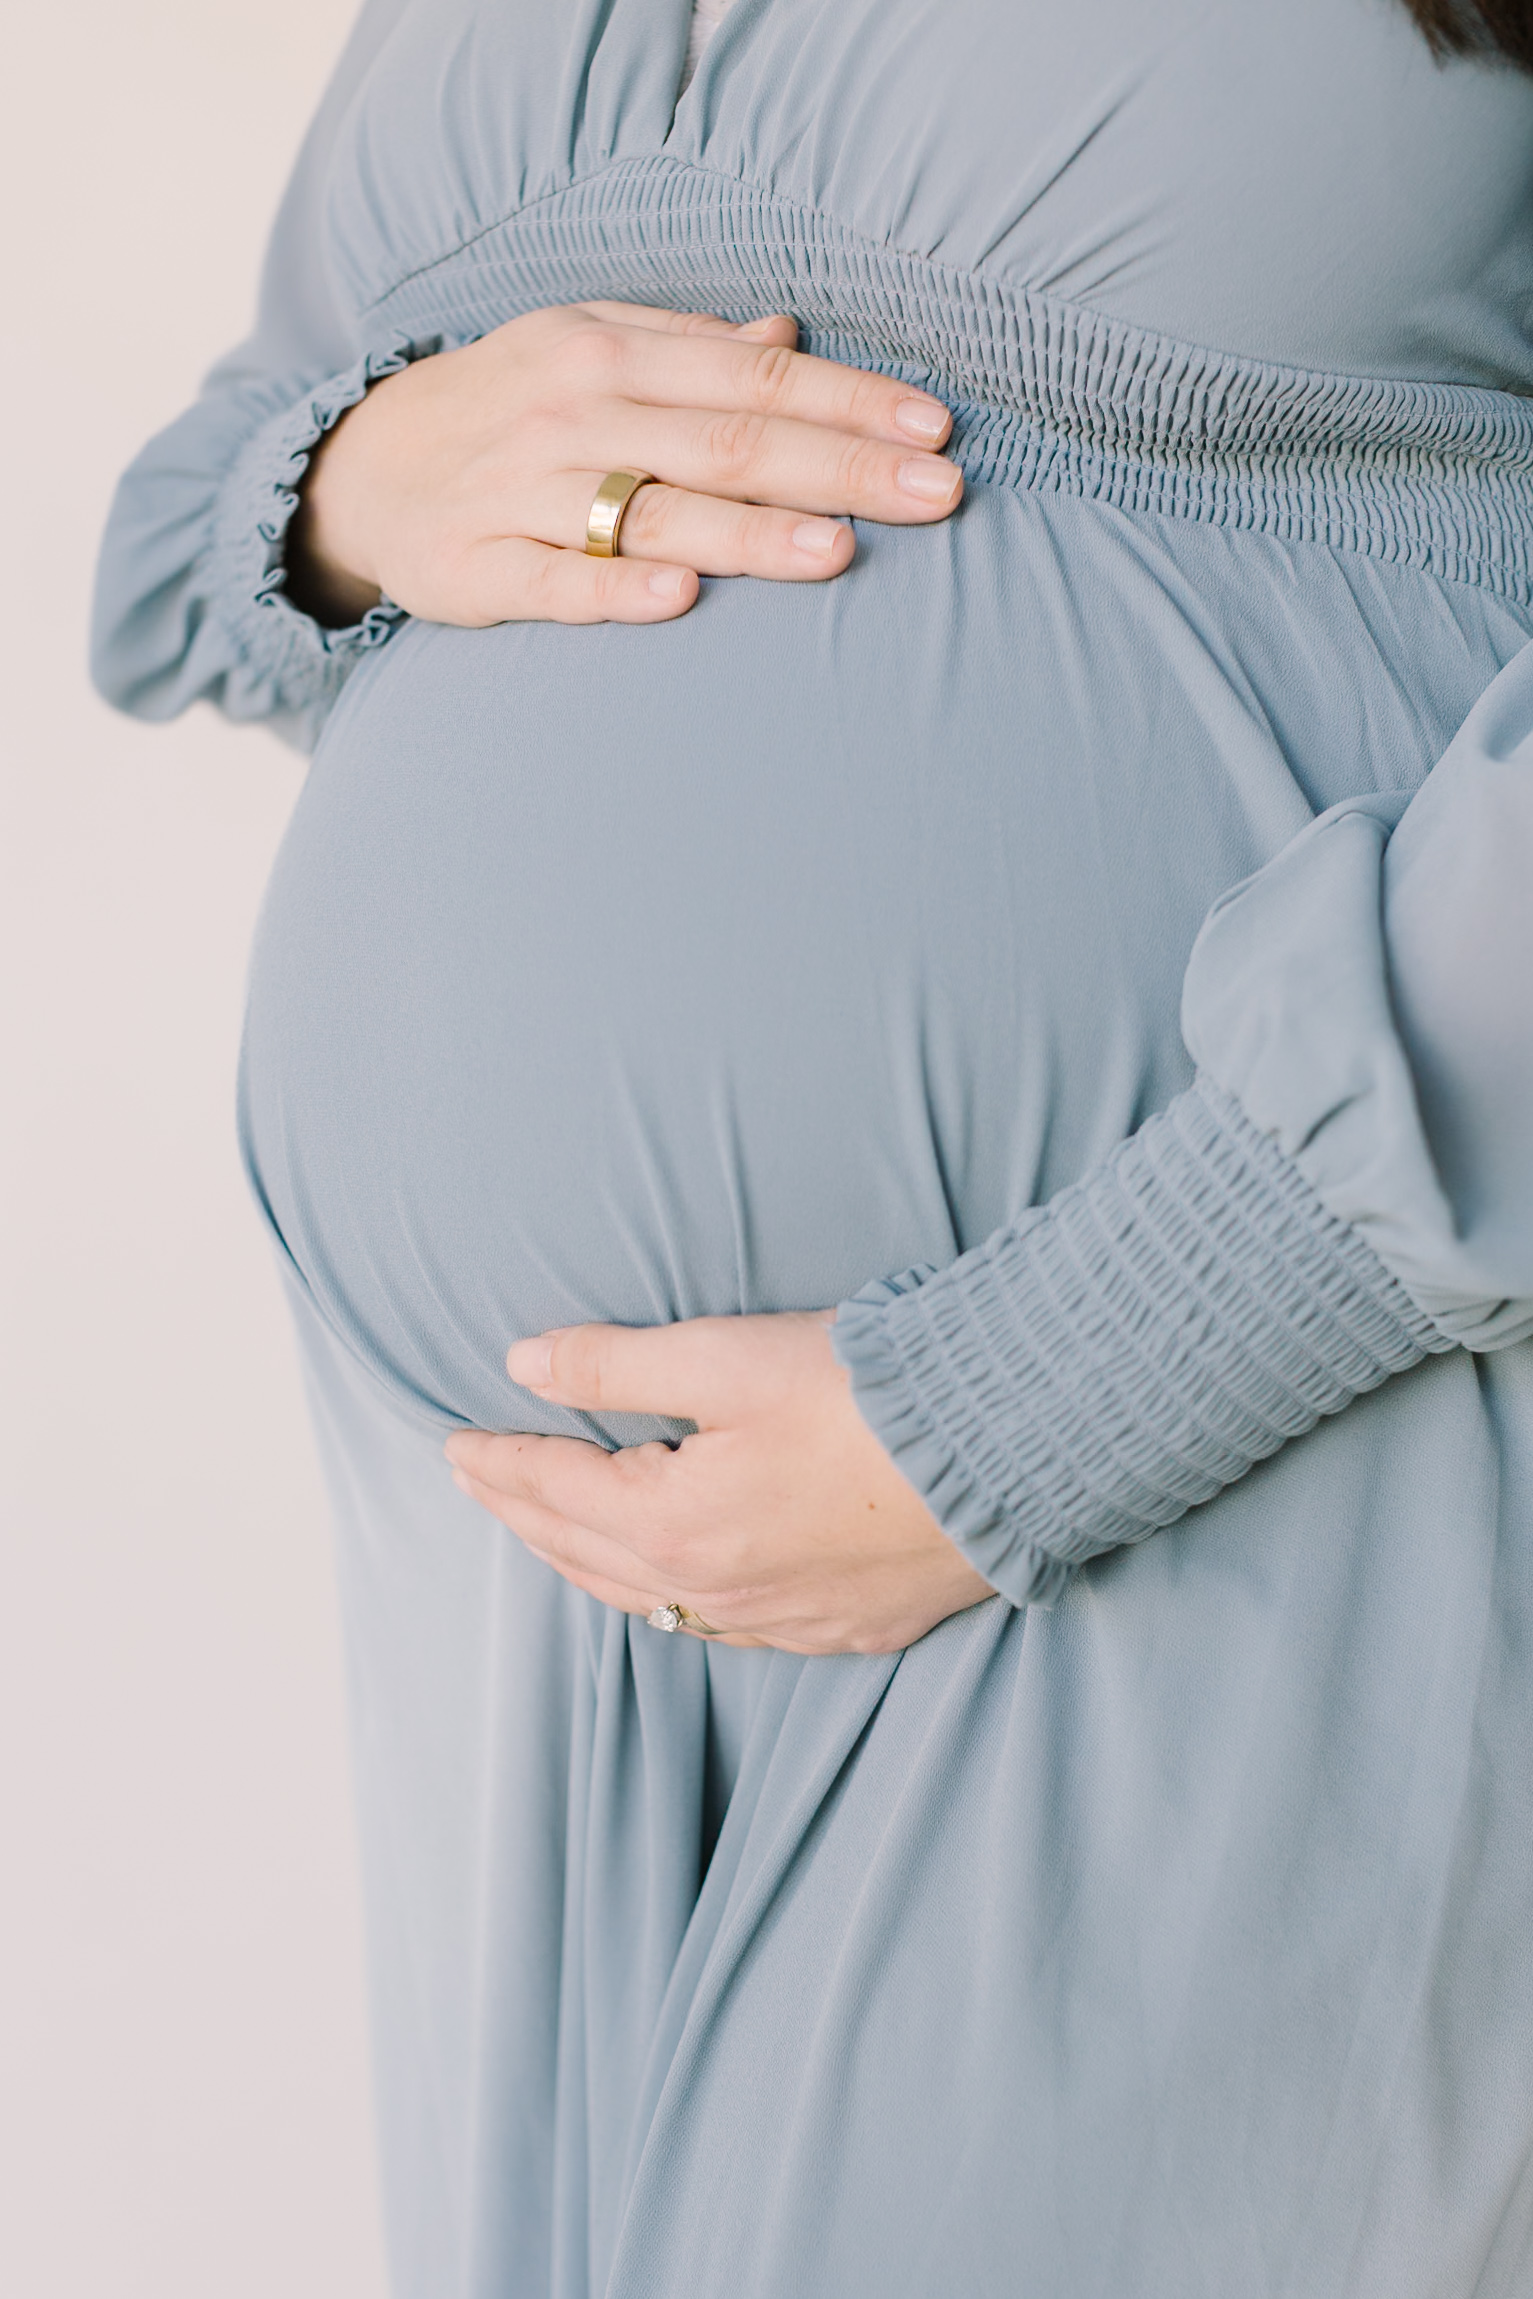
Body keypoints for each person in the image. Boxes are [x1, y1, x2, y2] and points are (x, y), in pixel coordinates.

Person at [93, 1, 1533, 2291]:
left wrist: (1080, 1369)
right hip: (539, 1593)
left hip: (1241, 1387)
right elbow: (182, 555)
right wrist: (369, 470)